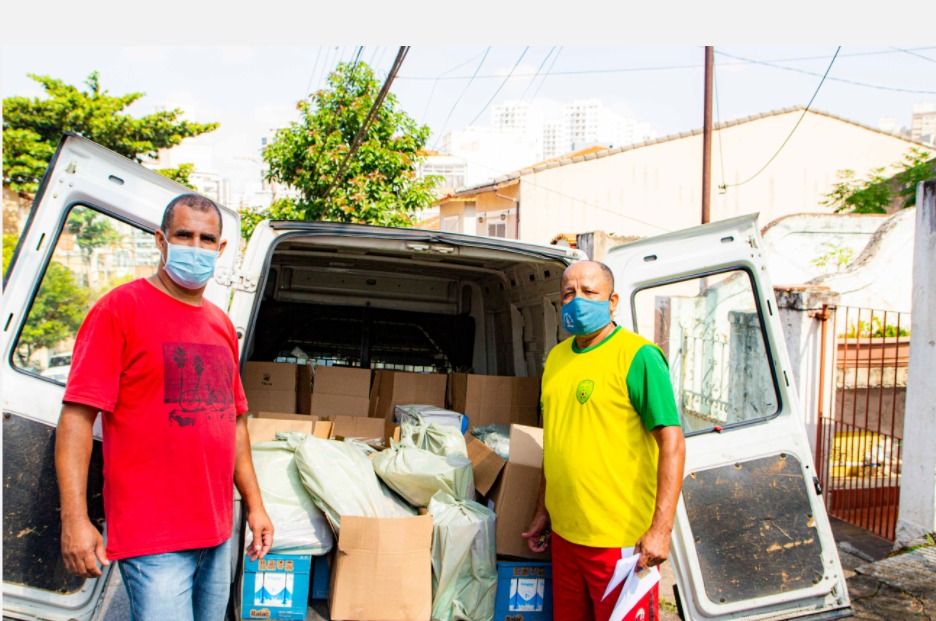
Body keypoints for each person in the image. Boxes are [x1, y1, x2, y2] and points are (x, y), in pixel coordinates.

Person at [55, 193, 274, 621]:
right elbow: (77, 418)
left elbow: (234, 423)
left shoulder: (220, 324)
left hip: (216, 533)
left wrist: (256, 506)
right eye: (184, 235)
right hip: (153, 536)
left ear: (220, 248)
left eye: (206, 239)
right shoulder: (119, 309)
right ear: (161, 240)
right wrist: (74, 519)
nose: (195, 247)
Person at [522, 260, 686, 621]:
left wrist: (661, 530)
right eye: (569, 293)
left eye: (589, 292)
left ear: (612, 301)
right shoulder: (556, 359)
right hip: (566, 538)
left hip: (620, 543)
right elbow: (555, 442)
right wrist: (542, 511)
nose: (577, 300)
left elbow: (672, 443)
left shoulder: (638, 356)